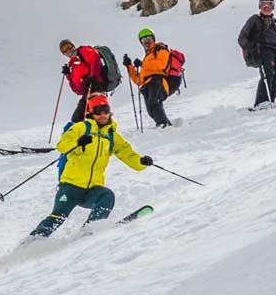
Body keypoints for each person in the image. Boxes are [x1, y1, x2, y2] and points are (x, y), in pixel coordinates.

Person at [29, 93, 151, 238]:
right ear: (91, 113)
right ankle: (32, 241)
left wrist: (141, 162)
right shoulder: (81, 128)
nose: (102, 115)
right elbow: (62, 145)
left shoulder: (111, 136)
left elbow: (127, 153)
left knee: (107, 196)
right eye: (98, 111)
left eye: (105, 110)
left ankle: (90, 230)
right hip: (71, 186)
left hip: (92, 189)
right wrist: (78, 143)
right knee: (58, 217)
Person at [122, 28, 180, 128]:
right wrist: (129, 66)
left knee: (154, 103)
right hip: (148, 84)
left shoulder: (161, 49)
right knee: (150, 108)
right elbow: (139, 80)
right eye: (144, 41)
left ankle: (163, 125)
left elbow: (161, 65)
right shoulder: (147, 57)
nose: (147, 42)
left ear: (153, 39)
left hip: (158, 80)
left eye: (149, 39)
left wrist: (142, 64)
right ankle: (164, 125)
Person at [59, 39, 111, 124]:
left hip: (96, 87)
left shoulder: (82, 51)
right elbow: (77, 90)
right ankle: (84, 136)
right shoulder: (72, 66)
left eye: (68, 46)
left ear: (73, 45)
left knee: (99, 115)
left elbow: (95, 58)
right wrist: (68, 75)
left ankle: (106, 134)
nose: (68, 50)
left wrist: (93, 76)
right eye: (64, 49)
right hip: (86, 93)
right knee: (77, 120)